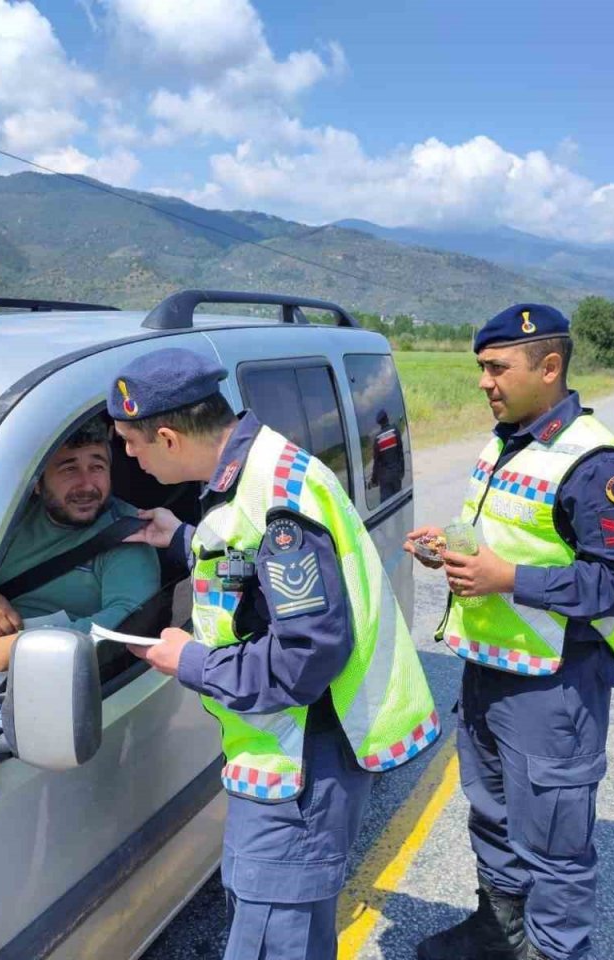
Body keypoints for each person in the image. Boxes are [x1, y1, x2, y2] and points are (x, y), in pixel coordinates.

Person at [108, 347, 439, 960]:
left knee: (272, 942)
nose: (127, 457)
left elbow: (307, 657)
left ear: (167, 436)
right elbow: (250, 569)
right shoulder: (251, 474)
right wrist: (180, 539)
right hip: (282, 757)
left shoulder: (277, 498)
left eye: (131, 443)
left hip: (299, 766)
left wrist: (192, 662)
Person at [409, 304, 614, 960]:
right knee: (491, 816)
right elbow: (514, 536)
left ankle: (552, 951)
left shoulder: (597, 463)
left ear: (549, 367)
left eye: (497, 368)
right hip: (492, 667)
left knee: (554, 842)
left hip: (555, 681)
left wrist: (507, 578)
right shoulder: (509, 437)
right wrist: (451, 548)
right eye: (480, 369)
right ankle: (500, 928)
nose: (484, 382)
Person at [0, 415, 159, 674]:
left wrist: (14, 649)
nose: (87, 485)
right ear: (37, 482)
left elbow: (127, 624)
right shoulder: (7, 519)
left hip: (50, 678)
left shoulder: (127, 535)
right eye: (69, 469)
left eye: (97, 467)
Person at [369, 408, 405, 500]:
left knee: (386, 506)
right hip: (396, 475)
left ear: (379, 423)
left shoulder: (378, 438)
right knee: (398, 503)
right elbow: (400, 453)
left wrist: (374, 480)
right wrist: (402, 471)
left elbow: (376, 463)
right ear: (387, 418)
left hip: (384, 479)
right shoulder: (395, 431)